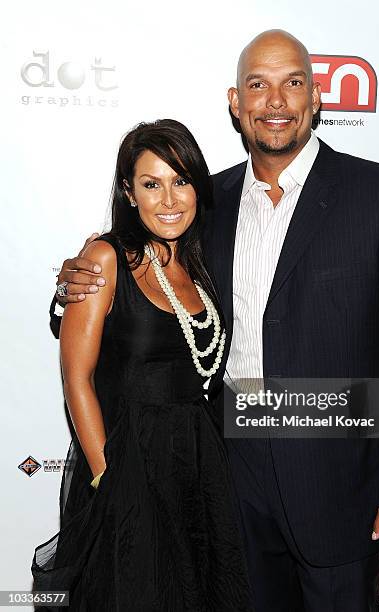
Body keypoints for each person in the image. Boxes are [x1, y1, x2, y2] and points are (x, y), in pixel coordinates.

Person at [50, 30, 379, 612]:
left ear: (317, 97)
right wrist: (71, 283)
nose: (276, 101)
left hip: (337, 477)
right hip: (224, 476)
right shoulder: (205, 202)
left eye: (292, 83)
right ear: (236, 104)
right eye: (258, 85)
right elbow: (136, 276)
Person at [32, 119, 253, 611]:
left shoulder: (201, 260)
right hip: (129, 464)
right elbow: (76, 377)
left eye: (181, 181)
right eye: (152, 184)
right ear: (130, 193)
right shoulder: (107, 258)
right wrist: (104, 477)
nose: (169, 200)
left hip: (199, 463)